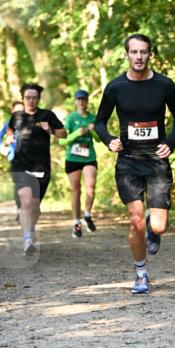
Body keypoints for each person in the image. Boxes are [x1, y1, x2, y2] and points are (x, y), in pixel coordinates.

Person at [95, 33, 175, 294]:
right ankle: (141, 274)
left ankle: (151, 225)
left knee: (158, 226)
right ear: (126, 55)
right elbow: (99, 121)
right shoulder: (115, 87)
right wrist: (108, 140)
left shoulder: (164, 85)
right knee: (136, 222)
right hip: (128, 162)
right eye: (134, 52)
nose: (138, 57)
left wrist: (172, 141)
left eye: (143, 52)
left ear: (150, 54)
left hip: (157, 161)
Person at [4, 83, 66, 256]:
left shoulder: (47, 115)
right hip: (20, 165)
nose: (31, 100)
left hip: (41, 166)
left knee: (36, 207)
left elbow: (64, 133)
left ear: (39, 99)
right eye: (27, 97)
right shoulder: (16, 116)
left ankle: (30, 229)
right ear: (22, 98)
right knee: (26, 201)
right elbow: (9, 131)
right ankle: (27, 239)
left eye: (34, 97)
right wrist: (8, 139)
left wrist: (51, 129)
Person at [62, 88, 100, 239]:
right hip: (72, 158)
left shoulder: (93, 118)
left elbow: (98, 139)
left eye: (84, 99)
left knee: (90, 188)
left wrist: (93, 130)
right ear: (75, 101)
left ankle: (87, 214)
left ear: (87, 101)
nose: (82, 102)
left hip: (88, 157)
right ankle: (76, 223)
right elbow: (62, 140)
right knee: (76, 190)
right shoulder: (71, 119)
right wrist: (78, 132)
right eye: (79, 99)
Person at [0, 99, 24, 221]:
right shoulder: (8, 124)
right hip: (15, 158)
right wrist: (4, 148)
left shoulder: (31, 123)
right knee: (19, 184)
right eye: (16, 110)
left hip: (31, 158)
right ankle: (19, 209)